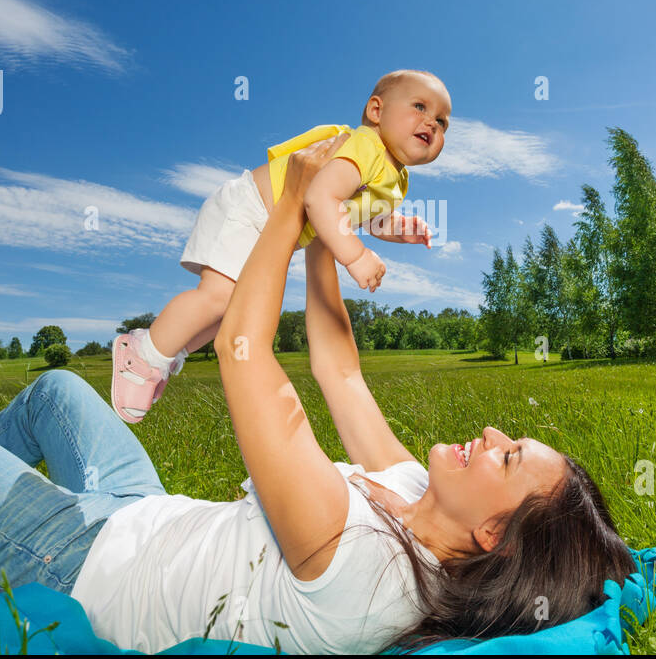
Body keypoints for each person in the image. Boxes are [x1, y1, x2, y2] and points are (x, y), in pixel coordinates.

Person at [0, 137, 637, 654]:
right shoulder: (411, 499)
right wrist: (330, 231)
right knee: (58, 388)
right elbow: (340, 371)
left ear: (493, 535)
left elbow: (248, 355)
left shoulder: (371, 574)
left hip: (72, 560)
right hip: (145, 515)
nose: (492, 431)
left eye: (511, 456)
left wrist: (287, 212)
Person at [110, 68, 448, 423]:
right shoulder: (366, 145)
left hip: (268, 229)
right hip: (250, 209)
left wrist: (398, 227)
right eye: (420, 107)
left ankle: (167, 351)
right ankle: (143, 352)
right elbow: (320, 197)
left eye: (442, 121)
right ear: (376, 111)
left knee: (234, 311)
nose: (432, 123)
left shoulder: (397, 178)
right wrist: (356, 255)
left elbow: (358, 214)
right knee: (219, 297)